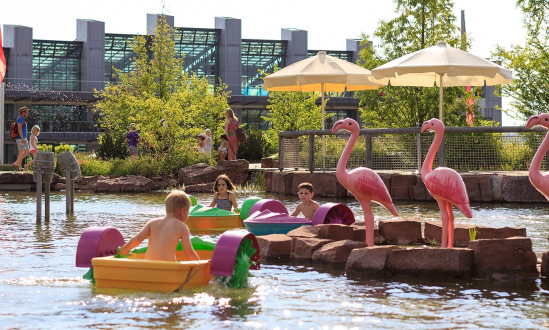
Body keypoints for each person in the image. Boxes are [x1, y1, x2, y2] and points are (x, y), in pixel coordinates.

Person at [118, 190, 199, 262]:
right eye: (188, 213)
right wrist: (200, 265)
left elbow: (137, 239)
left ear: (166, 209)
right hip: (167, 268)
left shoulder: (152, 222)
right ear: (183, 210)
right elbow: (189, 252)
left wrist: (124, 250)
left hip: (148, 265)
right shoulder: (182, 227)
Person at [12, 106, 30, 171]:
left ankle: (19, 167)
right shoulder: (20, 119)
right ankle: (16, 163)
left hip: (19, 138)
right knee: (27, 151)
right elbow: (19, 129)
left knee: (21, 152)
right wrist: (23, 138)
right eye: (26, 112)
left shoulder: (20, 119)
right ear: (23, 112)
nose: (27, 113)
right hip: (21, 138)